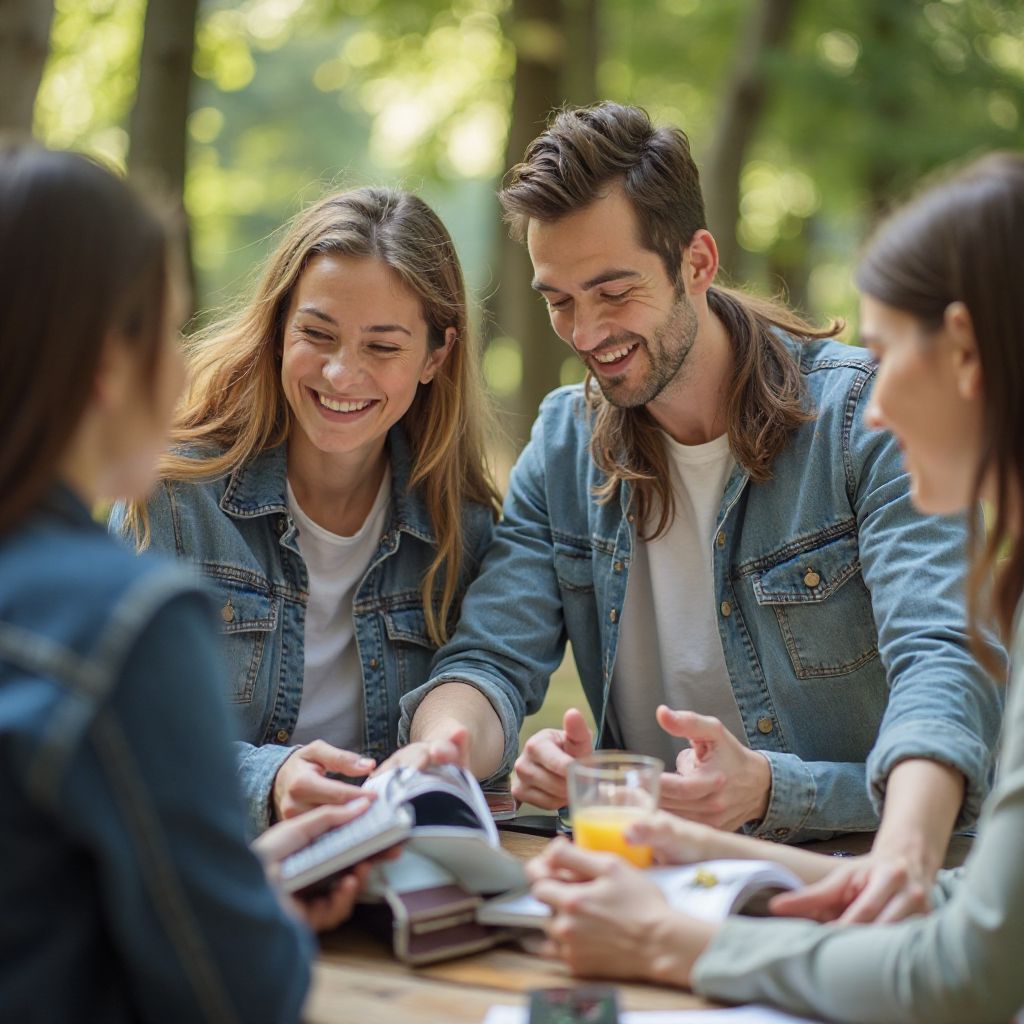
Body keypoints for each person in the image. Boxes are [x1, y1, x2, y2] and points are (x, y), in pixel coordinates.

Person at [405, 102, 1003, 913]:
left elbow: (944, 664)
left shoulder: (868, 418)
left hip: (863, 879)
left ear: (697, 261)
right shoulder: (562, 441)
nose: (585, 332)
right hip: (654, 887)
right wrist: (450, 750)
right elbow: (492, 658)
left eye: (613, 292)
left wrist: (768, 789)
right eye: (559, 300)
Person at [527, 150, 1024, 1023]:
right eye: (559, 299)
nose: (870, 404)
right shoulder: (564, 441)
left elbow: (972, 969)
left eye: (886, 353)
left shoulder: (845, 427)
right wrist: (683, 843)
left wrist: (671, 942)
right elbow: (975, 926)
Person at [0, 143, 385, 1022]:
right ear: (108, 361)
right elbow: (239, 995)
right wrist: (258, 925)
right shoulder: (124, 619)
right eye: (169, 331)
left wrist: (233, 884)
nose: (184, 372)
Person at [113, 186, 503, 837]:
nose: (340, 374)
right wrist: (271, 781)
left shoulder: (459, 527)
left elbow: (478, 706)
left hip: (371, 873)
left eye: (382, 347)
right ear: (278, 330)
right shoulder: (173, 495)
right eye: (317, 334)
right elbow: (118, 726)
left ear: (436, 355)